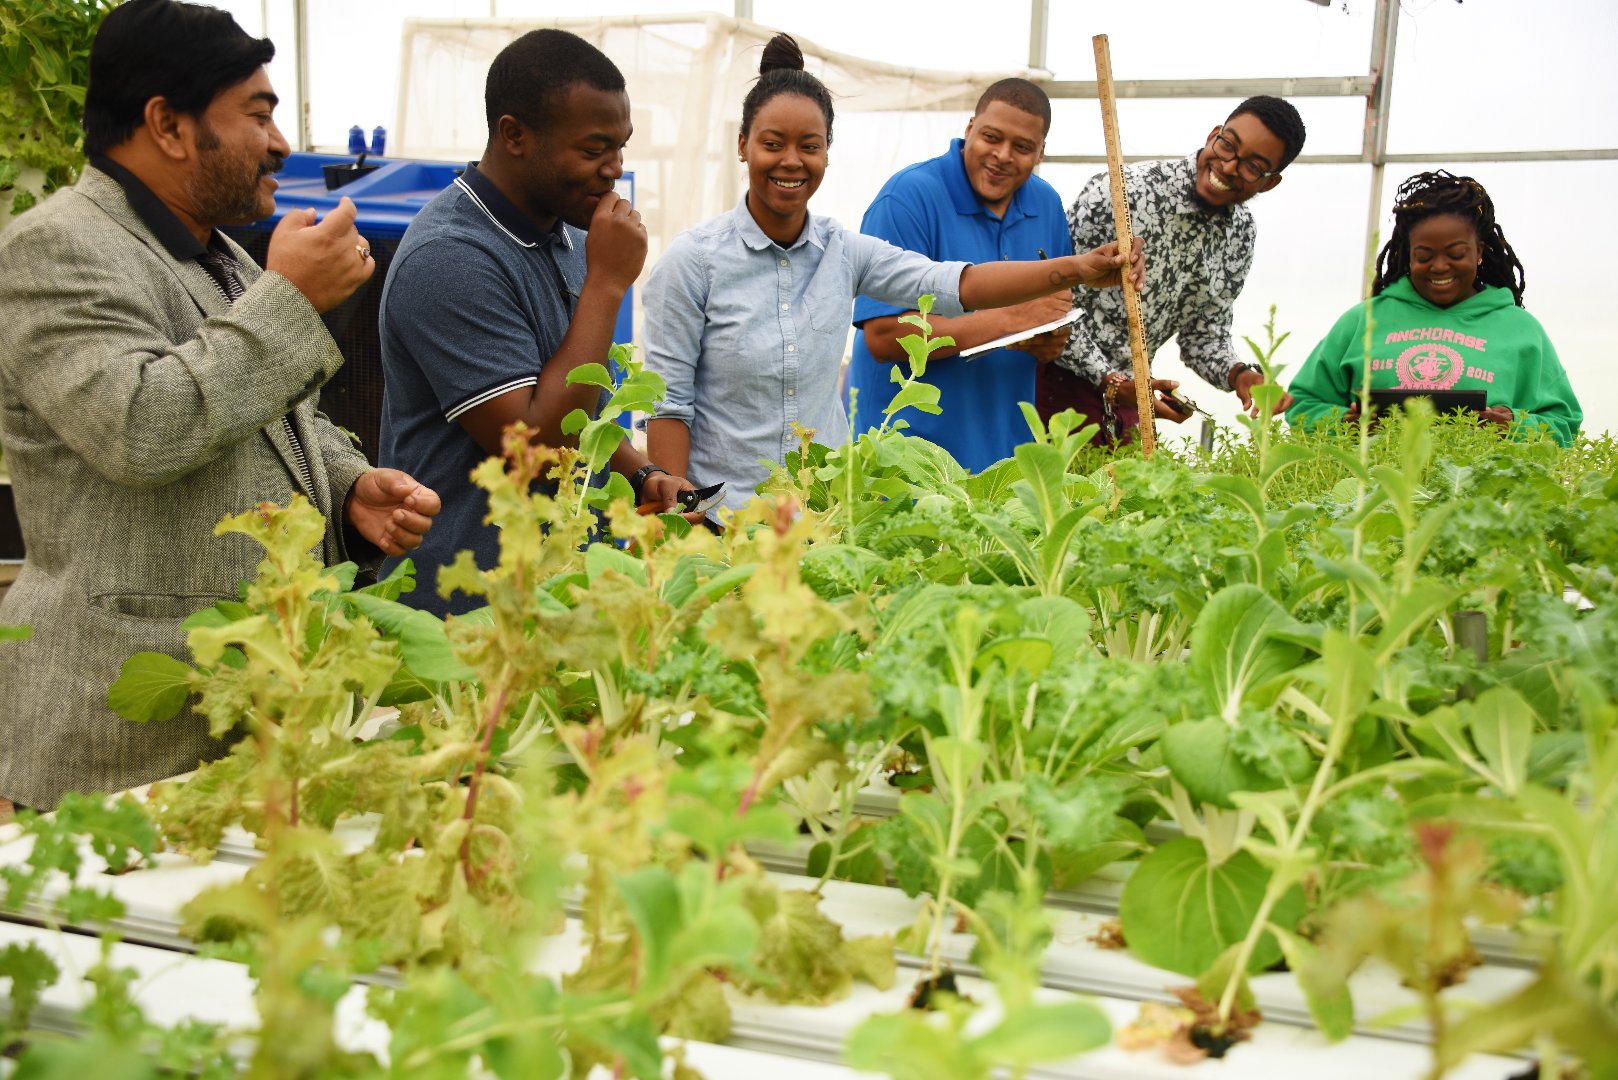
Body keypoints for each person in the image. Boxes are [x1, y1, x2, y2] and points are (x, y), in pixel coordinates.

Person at [0, 0, 440, 811]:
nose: (278, 143)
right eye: (258, 114)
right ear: (168, 124)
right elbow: (140, 427)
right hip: (115, 746)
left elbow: (269, 417)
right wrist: (291, 299)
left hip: (238, 728)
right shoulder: (54, 248)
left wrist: (345, 486)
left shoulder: (218, 251)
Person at [643, 35, 1140, 515]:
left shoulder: (843, 252)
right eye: (773, 143)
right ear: (743, 145)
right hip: (724, 518)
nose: (791, 161)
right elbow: (669, 406)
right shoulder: (693, 263)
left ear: (826, 153)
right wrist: (678, 513)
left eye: (809, 146)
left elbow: (955, 283)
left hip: (824, 517)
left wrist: (1078, 268)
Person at [379, 29, 695, 616]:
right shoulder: (450, 258)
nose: (613, 170)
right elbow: (535, 448)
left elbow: (574, 403)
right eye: (594, 149)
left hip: (555, 591)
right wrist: (606, 283)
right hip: (465, 609)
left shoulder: (570, 234)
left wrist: (643, 471)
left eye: (621, 148)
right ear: (514, 135)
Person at [1036, 96, 1306, 444]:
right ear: (1213, 135)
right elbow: (1047, 301)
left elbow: (1204, 335)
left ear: (1269, 182)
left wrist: (1238, 374)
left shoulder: (1239, 235)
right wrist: (1110, 380)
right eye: (1227, 145)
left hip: (1125, 400)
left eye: (1252, 166)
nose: (1228, 166)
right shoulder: (1122, 193)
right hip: (1049, 385)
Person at [844, 79, 1075, 472]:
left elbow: (1050, 314)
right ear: (969, 129)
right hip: (909, 462)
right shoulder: (908, 198)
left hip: (1004, 458)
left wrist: (1048, 341)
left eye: (1022, 147)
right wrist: (1012, 320)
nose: (1003, 155)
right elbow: (883, 336)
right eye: (991, 137)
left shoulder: (1046, 204)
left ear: (1040, 153)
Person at [1285, 171, 1580, 446]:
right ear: (1407, 256)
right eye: (1424, 256)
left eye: (1456, 254)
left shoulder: (1522, 330)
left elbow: (1564, 423)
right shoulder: (1362, 320)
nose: (1439, 266)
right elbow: (1303, 404)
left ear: (1478, 252)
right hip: (1373, 496)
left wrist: (1513, 426)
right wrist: (1343, 424)